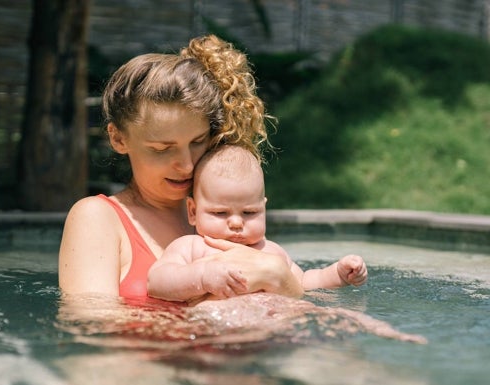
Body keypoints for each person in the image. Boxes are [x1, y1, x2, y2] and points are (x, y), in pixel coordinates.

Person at [58, 35, 304, 298]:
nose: (187, 165)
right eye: (162, 149)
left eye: (198, 142)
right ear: (118, 138)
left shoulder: (228, 216)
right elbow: (90, 326)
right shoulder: (97, 218)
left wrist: (280, 277)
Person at [147, 145, 368, 303]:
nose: (235, 222)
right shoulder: (191, 246)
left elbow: (303, 282)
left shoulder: (271, 251)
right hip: (214, 334)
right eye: (220, 212)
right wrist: (202, 276)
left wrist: (337, 274)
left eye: (249, 212)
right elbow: (157, 282)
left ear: (263, 208)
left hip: (273, 333)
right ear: (193, 211)